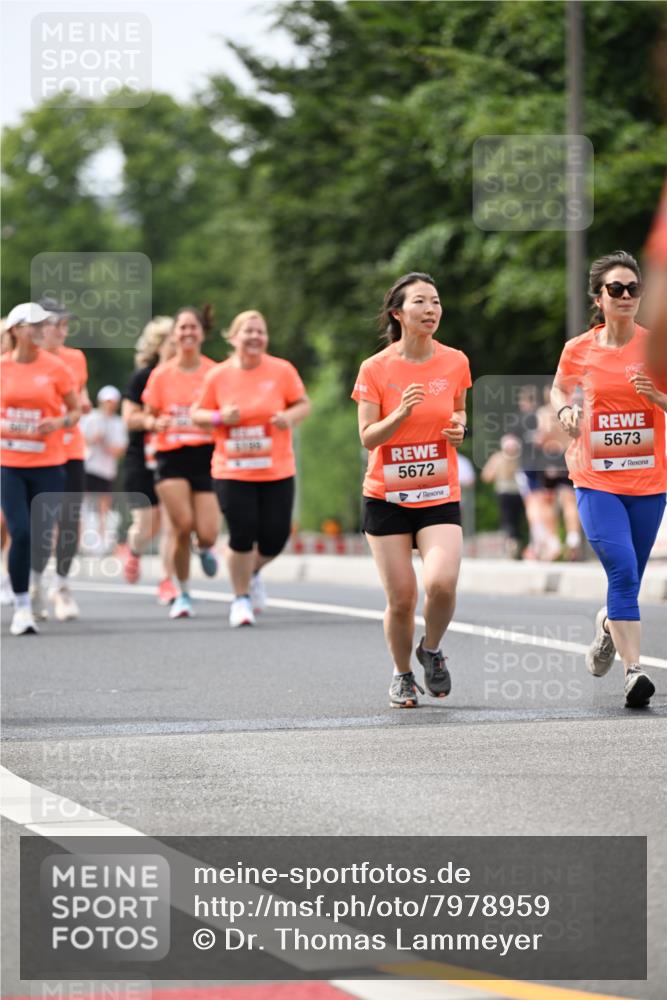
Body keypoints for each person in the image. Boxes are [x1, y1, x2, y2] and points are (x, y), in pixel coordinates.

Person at [551, 250, 667, 708]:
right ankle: (633, 672)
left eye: (633, 288)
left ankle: (606, 629)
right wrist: (564, 408)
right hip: (595, 477)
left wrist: (656, 396)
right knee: (620, 568)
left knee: (630, 581)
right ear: (598, 298)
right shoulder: (579, 348)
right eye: (615, 289)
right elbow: (561, 386)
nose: (625, 296)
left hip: (649, 482)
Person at [351, 272, 472, 708]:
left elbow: (457, 411)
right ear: (397, 313)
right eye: (420, 302)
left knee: (441, 583)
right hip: (387, 496)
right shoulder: (375, 368)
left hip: (439, 491)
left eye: (436, 302)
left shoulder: (455, 361)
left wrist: (459, 427)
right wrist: (400, 413)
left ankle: (432, 649)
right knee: (402, 598)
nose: (431, 310)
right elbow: (368, 437)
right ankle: (402, 674)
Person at [192, 310, 310, 627]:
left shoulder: (282, 370)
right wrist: (220, 418)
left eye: (261, 331)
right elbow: (198, 414)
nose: (255, 337)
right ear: (233, 337)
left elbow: (303, 403)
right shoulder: (218, 376)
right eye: (248, 331)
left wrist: (289, 417)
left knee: (275, 537)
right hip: (233, 469)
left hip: (276, 468)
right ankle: (240, 598)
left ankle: (252, 570)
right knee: (242, 532)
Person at [0, 303, 80, 635]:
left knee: (41, 537)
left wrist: (58, 421)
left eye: (41, 324)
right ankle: (21, 607)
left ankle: (35, 585)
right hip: (10, 464)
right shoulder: (2, 367)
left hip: (49, 464)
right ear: (15, 329)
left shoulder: (57, 368)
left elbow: (75, 412)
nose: (37, 330)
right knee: (20, 531)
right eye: (30, 324)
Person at [142, 305, 220, 619]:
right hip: (171, 455)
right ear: (174, 335)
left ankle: (204, 547)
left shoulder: (215, 372)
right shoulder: (161, 375)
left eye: (193, 327)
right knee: (181, 525)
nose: (187, 333)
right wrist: (153, 423)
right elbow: (148, 414)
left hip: (207, 455)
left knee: (208, 533)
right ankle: (183, 593)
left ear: (202, 333)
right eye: (182, 328)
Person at [37, 298, 91, 621]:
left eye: (65, 324)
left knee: (69, 520)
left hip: (70, 449)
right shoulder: (24, 361)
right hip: (36, 452)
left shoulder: (75, 358)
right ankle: (33, 582)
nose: (63, 331)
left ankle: (62, 584)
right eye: (57, 324)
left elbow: (79, 394)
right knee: (37, 523)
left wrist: (82, 402)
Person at [122, 316, 177, 605]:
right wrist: (152, 422)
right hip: (142, 459)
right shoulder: (143, 377)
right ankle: (133, 549)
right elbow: (128, 418)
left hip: (174, 459)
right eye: (172, 341)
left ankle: (166, 580)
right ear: (159, 345)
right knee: (147, 524)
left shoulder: (185, 376)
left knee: (170, 523)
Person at [80, 386, 128, 554]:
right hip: (89, 466)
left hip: (106, 470)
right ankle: (80, 541)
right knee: (82, 504)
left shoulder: (118, 422)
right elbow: (81, 441)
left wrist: (105, 444)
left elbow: (120, 449)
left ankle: (99, 543)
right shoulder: (90, 418)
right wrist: (95, 439)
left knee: (103, 506)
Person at [481, 433, 526, 558]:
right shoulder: (500, 458)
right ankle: (512, 544)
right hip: (507, 492)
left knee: (512, 520)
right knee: (510, 520)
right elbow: (487, 476)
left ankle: (513, 545)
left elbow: (486, 476)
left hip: (516, 492)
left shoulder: (515, 458)